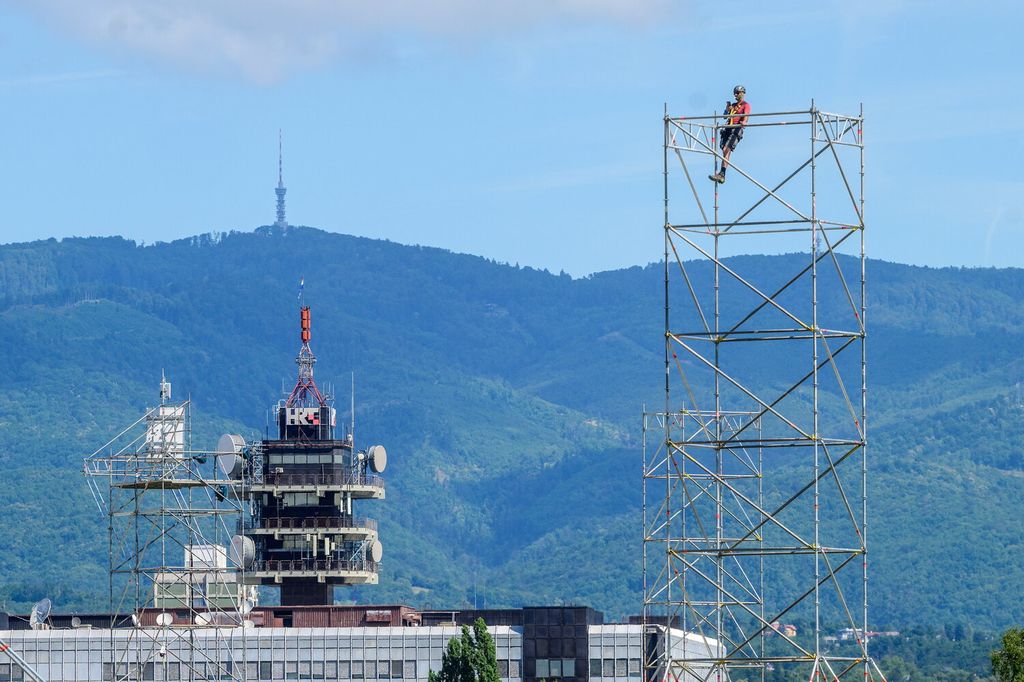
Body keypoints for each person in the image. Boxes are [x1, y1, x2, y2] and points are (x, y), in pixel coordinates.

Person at [709, 85, 750, 184]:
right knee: (724, 150)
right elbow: (725, 116)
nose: (735, 95)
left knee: (726, 150)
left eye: (737, 93)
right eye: (735, 93)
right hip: (728, 127)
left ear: (742, 93)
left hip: (736, 128)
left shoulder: (745, 105)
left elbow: (746, 117)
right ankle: (722, 175)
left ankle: (722, 173)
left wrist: (744, 122)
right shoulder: (733, 105)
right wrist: (727, 108)